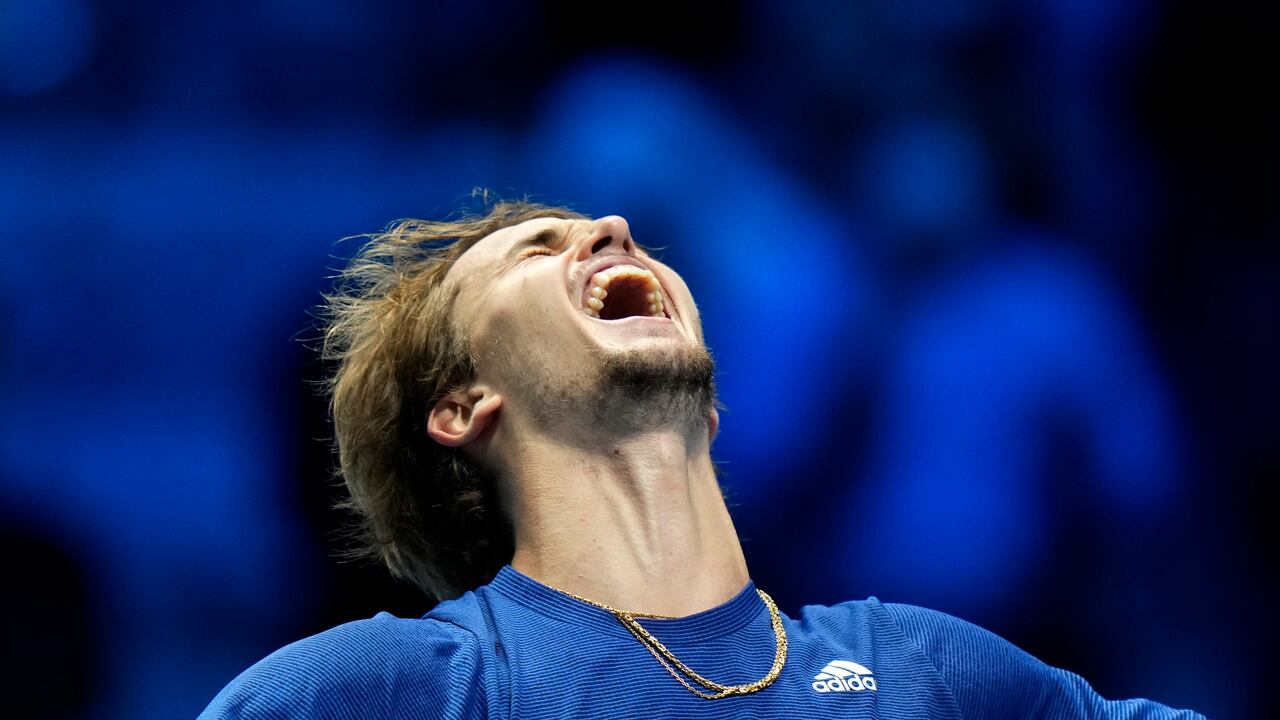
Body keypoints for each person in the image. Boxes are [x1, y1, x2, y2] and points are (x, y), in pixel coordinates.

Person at [199, 199, 1205, 719]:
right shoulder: (370, 691)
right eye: (538, 247)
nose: (611, 227)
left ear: (713, 414)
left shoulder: (926, 670)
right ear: (463, 406)